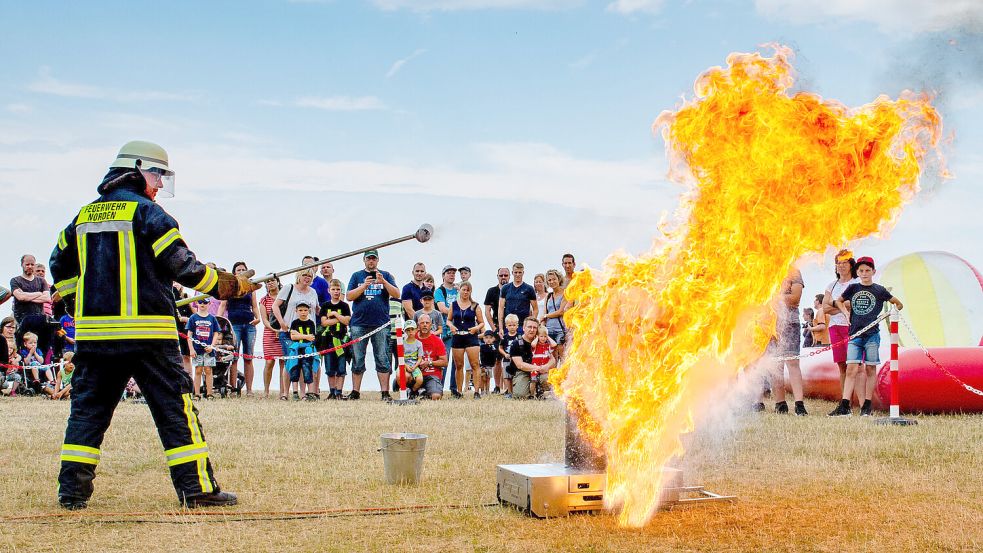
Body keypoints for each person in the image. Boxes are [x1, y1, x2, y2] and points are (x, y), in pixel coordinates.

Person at [48, 140, 257, 509]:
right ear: (135, 169)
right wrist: (230, 285)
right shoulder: (151, 215)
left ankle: (71, 494)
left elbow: (59, 264)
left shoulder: (82, 218)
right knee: (175, 411)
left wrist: (76, 303)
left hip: (96, 339)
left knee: (87, 412)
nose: (160, 184)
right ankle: (195, 491)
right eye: (157, 174)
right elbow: (184, 267)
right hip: (149, 336)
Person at [830, 257, 904, 417]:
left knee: (870, 368)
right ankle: (844, 405)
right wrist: (845, 312)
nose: (864, 273)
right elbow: (838, 301)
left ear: (873, 272)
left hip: (872, 336)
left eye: (867, 271)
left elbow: (898, 304)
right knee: (851, 369)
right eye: (861, 271)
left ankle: (867, 405)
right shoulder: (853, 288)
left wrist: (888, 314)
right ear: (857, 272)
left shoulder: (879, 290)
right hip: (855, 335)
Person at [346, 250, 400, 401]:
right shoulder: (356, 276)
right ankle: (355, 392)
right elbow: (349, 296)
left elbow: (396, 294)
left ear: (377, 260)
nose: (371, 261)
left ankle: (385, 393)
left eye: (373, 259)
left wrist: (384, 282)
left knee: (382, 357)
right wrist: (364, 286)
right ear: (364, 260)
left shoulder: (386, 275)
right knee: (358, 357)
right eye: (368, 259)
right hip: (359, 324)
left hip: (381, 324)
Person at [764, 268, 807, 415]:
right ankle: (780, 403)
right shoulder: (765, 270)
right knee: (776, 365)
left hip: (790, 323)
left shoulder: (794, 272)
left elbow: (794, 299)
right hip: (770, 325)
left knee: (792, 362)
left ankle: (799, 405)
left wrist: (771, 299)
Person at [273, 269, 319, 399]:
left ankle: (304, 393)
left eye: (310, 276)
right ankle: (286, 393)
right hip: (289, 331)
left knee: (306, 362)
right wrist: (282, 323)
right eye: (304, 275)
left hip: (308, 333)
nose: (307, 278)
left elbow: (316, 309)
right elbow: (275, 306)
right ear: (298, 276)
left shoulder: (313, 292)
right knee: (290, 362)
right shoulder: (289, 288)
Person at [823, 250, 860, 410]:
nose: (841, 266)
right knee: (842, 366)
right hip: (835, 327)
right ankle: (846, 402)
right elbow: (825, 308)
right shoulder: (832, 285)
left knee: (855, 365)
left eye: (845, 262)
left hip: (852, 327)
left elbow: (855, 304)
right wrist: (843, 306)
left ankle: (859, 401)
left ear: (851, 265)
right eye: (838, 262)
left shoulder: (856, 284)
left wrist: (835, 305)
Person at [220, 261, 259, 396]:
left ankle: (249, 390)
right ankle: (233, 388)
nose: (241, 271)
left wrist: (257, 317)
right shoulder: (229, 287)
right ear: (234, 273)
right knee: (234, 357)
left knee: (248, 357)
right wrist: (219, 321)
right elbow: (223, 305)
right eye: (238, 270)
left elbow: (254, 306)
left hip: (249, 324)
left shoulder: (250, 287)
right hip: (234, 324)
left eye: (243, 269)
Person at [10, 254, 53, 359]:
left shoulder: (41, 281)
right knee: (23, 348)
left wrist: (26, 296)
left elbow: (47, 298)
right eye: (27, 264)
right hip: (22, 320)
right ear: (22, 265)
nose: (30, 266)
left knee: (42, 347)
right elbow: (20, 297)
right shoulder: (15, 281)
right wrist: (38, 294)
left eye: (32, 264)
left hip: (39, 319)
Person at [448, 281, 485, 399]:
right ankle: (459, 391)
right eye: (463, 290)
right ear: (459, 290)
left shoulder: (475, 305)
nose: (465, 292)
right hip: (458, 336)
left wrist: (476, 328)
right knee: (459, 365)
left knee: (475, 364)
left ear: (470, 292)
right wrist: (451, 326)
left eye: (468, 290)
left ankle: (477, 391)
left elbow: (481, 322)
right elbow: (449, 320)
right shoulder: (453, 305)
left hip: (471, 336)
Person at [319, 279, 351, 400]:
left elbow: (347, 321)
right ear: (329, 291)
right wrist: (340, 319)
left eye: (338, 289)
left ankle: (339, 391)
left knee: (341, 368)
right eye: (333, 289)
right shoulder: (325, 305)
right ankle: (332, 391)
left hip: (341, 340)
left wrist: (335, 314)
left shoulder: (344, 306)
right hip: (328, 341)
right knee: (330, 367)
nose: (336, 292)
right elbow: (324, 322)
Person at [510, 319, 557, 399]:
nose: (532, 330)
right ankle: (531, 391)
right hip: (523, 372)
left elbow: (553, 360)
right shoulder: (516, 343)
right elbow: (520, 365)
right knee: (521, 395)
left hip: (542, 372)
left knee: (548, 380)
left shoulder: (543, 341)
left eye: (534, 327)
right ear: (524, 328)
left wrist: (547, 366)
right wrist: (538, 368)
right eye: (529, 327)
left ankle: (541, 391)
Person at [258, 279, 286, 399]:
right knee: (269, 362)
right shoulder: (264, 300)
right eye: (267, 282)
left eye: (272, 281)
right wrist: (274, 330)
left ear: (278, 282)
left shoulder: (284, 297)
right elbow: (264, 319)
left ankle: (282, 391)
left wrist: (282, 329)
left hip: (284, 331)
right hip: (269, 332)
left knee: (283, 362)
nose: (270, 283)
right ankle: (266, 391)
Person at [186, 300, 221, 399]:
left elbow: (216, 333)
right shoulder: (193, 318)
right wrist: (191, 349)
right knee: (198, 370)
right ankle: (197, 394)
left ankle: (209, 393)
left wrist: (212, 346)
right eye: (200, 302)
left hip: (209, 350)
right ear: (197, 303)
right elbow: (189, 335)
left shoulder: (212, 318)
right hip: (197, 349)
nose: (202, 304)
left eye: (205, 303)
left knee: (208, 370)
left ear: (209, 304)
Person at [483, 267, 509, 393]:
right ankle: (498, 386)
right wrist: (494, 328)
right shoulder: (492, 291)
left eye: (506, 275)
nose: (503, 277)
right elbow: (487, 311)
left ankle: (508, 388)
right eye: (501, 275)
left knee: (510, 358)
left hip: (511, 328)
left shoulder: (512, 290)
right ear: (497, 276)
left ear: (509, 276)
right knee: (497, 359)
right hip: (497, 329)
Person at [434, 265, 459, 390]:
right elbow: (442, 308)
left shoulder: (458, 290)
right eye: (448, 273)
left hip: (459, 330)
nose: (452, 275)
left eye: (453, 273)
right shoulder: (439, 291)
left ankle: (454, 389)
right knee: (444, 360)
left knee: (457, 362)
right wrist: (459, 311)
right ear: (443, 275)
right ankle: (439, 388)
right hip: (446, 331)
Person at [287, 302, 319, 400]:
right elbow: (293, 337)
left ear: (309, 311)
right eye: (300, 310)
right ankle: (295, 393)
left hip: (308, 349)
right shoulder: (294, 323)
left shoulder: (311, 323)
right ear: (296, 311)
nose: (303, 312)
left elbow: (312, 338)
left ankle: (310, 393)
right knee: (294, 369)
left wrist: (298, 334)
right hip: (296, 349)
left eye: (305, 310)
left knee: (307, 369)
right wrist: (305, 336)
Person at [498, 262, 537, 339]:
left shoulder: (529, 289)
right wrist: (500, 327)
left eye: (520, 272)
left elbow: (535, 309)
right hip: (508, 326)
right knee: (508, 348)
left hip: (523, 326)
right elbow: (501, 308)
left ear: (523, 273)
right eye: (516, 272)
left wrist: (531, 325)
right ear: (512, 273)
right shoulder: (505, 288)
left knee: (522, 348)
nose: (518, 274)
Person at [415, 314, 448, 400]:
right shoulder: (412, 338)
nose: (425, 325)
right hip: (415, 374)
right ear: (418, 326)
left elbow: (444, 362)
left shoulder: (437, 341)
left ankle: (426, 393)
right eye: (422, 323)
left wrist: (429, 363)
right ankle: (409, 389)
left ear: (431, 325)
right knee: (404, 375)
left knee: (436, 396)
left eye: (427, 323)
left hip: (431, 375)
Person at [392, 319, 424, 396]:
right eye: (408, 330)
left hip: (414, 365)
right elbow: (400, 357)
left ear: (416, 330)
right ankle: (403, 389)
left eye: (412, 329)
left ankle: (413, 391)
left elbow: (420, 358)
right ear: (405, 331)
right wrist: (405, 366)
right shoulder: (401, 343)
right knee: (400, 375)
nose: (410, 332)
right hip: (404, 364)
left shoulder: (419, 344)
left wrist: (415, 366)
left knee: (420, 380)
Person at [542, 269, 569, 360]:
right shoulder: (548, 296)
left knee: (562, 356)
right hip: (549, 330)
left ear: (559, 279)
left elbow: (561, 311)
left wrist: (546, 316)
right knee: (551, 357)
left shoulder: (565, 293)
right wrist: (542, 328)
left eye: (554, 279)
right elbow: (544, 313)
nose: (552, 282)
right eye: (549, 280)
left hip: (560, 329)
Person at [528, 324, 556, 399]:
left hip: (544, 368)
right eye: (541, 336)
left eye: (545, 336)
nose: (543, 338)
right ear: (537, 336)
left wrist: (548, 336)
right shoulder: (536, 346)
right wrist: (537, 337)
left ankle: (542, 393)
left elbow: (554, 344)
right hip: (535, 367)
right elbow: (532, 344)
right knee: (533, 380)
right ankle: (532, 395)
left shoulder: (547, 346)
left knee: (544, 380)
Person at [498, 314, 522, 398]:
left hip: (516, 360)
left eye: (514, 325)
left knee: (515, 376)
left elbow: (522, 347)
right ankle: (509, 392)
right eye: (510, 325)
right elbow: (500, 348)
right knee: (507, 376)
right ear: (506, 326)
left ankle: (516, 391)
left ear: (517, 326)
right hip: (507, 360)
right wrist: (505, 354)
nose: (512, 327)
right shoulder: (505, 337)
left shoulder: (519, 337)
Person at [478, 330, 498, 396]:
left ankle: (487, 390)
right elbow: (481, 356)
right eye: (486, 338)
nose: (488, 339)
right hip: (483, 365)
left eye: (490, 338)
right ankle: (482, 391)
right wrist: (481, 365)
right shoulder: (482, 347)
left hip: (490, 365)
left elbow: (495, 355)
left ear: (493, 339)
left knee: (488, 378)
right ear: (483, 339)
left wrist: (493, 363)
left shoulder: (494, 347)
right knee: (483, 378)